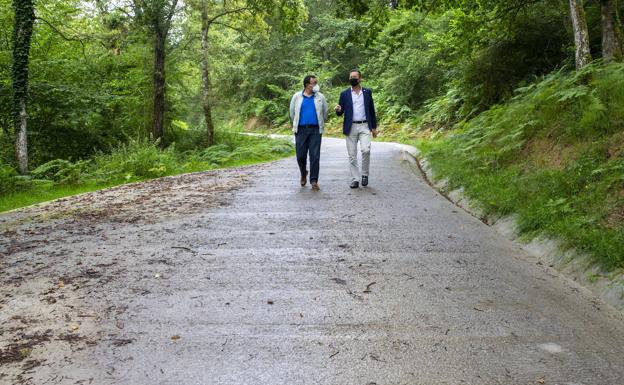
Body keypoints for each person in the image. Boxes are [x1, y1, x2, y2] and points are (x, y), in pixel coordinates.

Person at [335, 69, 378, 188]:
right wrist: (338, 110)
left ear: (360, 79)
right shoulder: (344, 94)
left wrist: (374, 127)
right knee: (352, 155)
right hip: (351, 127)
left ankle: (364, 174)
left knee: (366, 150)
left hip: (365, 126)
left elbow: (371, 111)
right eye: (350, 77)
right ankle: (355, 178)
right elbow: (340, 111)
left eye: (354, 77)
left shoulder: (367, 92)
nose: (352, 79)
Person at [289, 75, 328, 191]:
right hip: (301, 130)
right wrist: (297, 124)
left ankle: (314, 181)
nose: (316, 85)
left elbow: (325, 112)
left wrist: (319, 122)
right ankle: (303, 172)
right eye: (313, 83)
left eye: (316, 82)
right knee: (300, 156)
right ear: (306, 85)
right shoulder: (297, 97)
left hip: (315, 130)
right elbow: (292, 113)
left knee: (315, 156)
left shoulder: (320, 97)